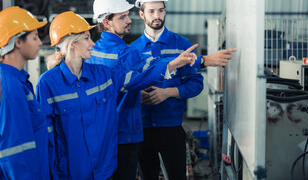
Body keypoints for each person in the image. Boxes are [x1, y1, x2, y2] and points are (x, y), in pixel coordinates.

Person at [36, 11, 198, 180]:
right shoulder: (48, 83)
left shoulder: (103, 75)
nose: (92, 43)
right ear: (71, 44)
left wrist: (171, 65)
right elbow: (44, 136)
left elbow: (139, 77)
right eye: (86, 38)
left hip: (103, 170)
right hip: (69, 172)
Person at [131, 0, 237, 180]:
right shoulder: (132, 50)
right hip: (141, 128)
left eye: (161, 10)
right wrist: (138, 96)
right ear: (141, 14)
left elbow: (196, 83)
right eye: (151, 11)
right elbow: (126, 86)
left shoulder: (182, 45)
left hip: (171, 127)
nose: (157, 15)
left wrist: (168, 92)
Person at [0, 6, 49, 179]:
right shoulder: (9, 86)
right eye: (35, 37)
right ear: (18, 42)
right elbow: (14, 152)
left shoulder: (18, 80)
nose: (40, 43)